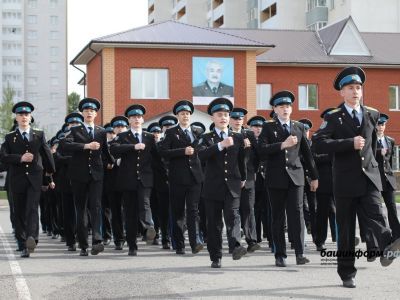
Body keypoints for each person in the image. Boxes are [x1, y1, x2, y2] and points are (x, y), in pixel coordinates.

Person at [312, 66, 400, 288]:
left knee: (376, 214)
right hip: (344, 182)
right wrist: (347, 144)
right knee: (347, 230)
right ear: (342, 92)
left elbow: (370, 146)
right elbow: (318, 143)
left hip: (369, 177)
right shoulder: (333, 117)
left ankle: (388, 245)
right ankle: (347, 273)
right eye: (350, 88)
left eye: (358, 87)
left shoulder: (372, 114)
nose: (355, 91)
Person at [258, 91, 318, 267]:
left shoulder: (298, 127)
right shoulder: (268, 127)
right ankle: (280, 254)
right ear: (275, 109)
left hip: (296, 178)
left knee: (297, 215)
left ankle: (300, 253)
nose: (286, 109)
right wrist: (282, 145)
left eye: (288, 106)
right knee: (278, 217)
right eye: (282, 106)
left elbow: (307, 155)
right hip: (275, 179)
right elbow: (261, 150)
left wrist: (314, 177)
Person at [197, 97, 247, 268]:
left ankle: (235, 247)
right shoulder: (206, 138)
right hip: (212, 187)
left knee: (233, 216)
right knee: (214, 223)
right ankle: (216, 256)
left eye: (226, 114)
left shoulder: (238, 137)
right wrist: (220, 145)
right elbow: (200, 156)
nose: (224, 118)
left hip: (232, 185)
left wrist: (244, 177)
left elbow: (242, 160)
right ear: (213, 118)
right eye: (220, 114)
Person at [0, 101, 55, 258]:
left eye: (26, 114)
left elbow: (47, 156)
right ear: (16, 118)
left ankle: (31, 238)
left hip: (35, 178)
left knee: (31, 208)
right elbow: (3, 156)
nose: (24, 117)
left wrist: (49, 176)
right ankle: (22, 242)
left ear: (31, 117)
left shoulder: (39, 134)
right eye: (20, 114)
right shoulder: (10, 137)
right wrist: (20, 158)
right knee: (19, 211)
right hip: (17, 179)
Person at [60, 98, 113, 256]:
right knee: (81, 209)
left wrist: (111, 162)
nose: (89, 113)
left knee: (96, 207)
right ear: (82, 113)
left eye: (92, 111)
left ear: (96, 113)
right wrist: (85, 146)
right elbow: (64, 144)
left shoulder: (101, 131)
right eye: (86, 110)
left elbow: (105, 152)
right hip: (78, 175)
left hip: (97, 174)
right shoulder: (75, 130)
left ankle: (97, 240)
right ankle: (83, 244)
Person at [109, 104, 157, 256]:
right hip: (127, 179)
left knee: (145, 203)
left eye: (139, 117)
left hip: (145, 178)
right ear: (129, 120)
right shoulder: (123, 136)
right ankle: (132, 245)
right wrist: (132, 147)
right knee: (130, 214)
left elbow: (156, 157)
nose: (137, 119)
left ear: (143, 120)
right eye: (133, 117)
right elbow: (113, 149)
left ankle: (148, 227)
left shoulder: (150, 137)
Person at [159, 100, 204, 255]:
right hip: (178, 177)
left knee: (193, 210)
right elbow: (163, 152)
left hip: (195, 177)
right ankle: (179, 244)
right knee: (178, 212)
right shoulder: (171, 132)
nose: (185, 116)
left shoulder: (197, 131)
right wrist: (181, 151)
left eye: (187, 113)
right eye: (182, 113)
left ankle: (195, 242)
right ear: (177, 115)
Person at [229, 108, 261, 253]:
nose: (237, 121)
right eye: (235, 118)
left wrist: (253, 171)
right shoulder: (226, 135)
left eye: (240, 118)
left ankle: (251, 241)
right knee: (233, 211)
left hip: (248, 179)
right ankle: (235, 242)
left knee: (248, 209)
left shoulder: (248, 134)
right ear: (230, 120)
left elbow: (258, 154)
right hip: (231, 179)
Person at [312, 108, 337, 251]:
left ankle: (343, 238)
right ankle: (319, 241)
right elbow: (312, 157)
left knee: (342, 211)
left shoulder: (342, 135)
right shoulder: (318, 136)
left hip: (342, 179)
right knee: (322, 212)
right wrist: (330, 157)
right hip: (325, 180)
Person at [375, 114, 400, 241]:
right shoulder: (371, 140)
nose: (380, 127)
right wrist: (379, 152)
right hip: (375, 179)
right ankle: (384, 236)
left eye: (382, 124)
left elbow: (389, 161)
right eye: (378, 124)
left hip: (388, 179)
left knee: (392, 208)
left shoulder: (390, 140)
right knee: (377, 209)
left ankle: (397, 236)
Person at [298, 118, 317, 243]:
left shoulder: (313, 144)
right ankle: (308, 224)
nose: (305, 132)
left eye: (307, 130)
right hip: (299, 179)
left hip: (311, 179)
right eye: (303, 130)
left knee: (313, 207)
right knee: (301, 206)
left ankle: (316, 235)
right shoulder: (296, 145)